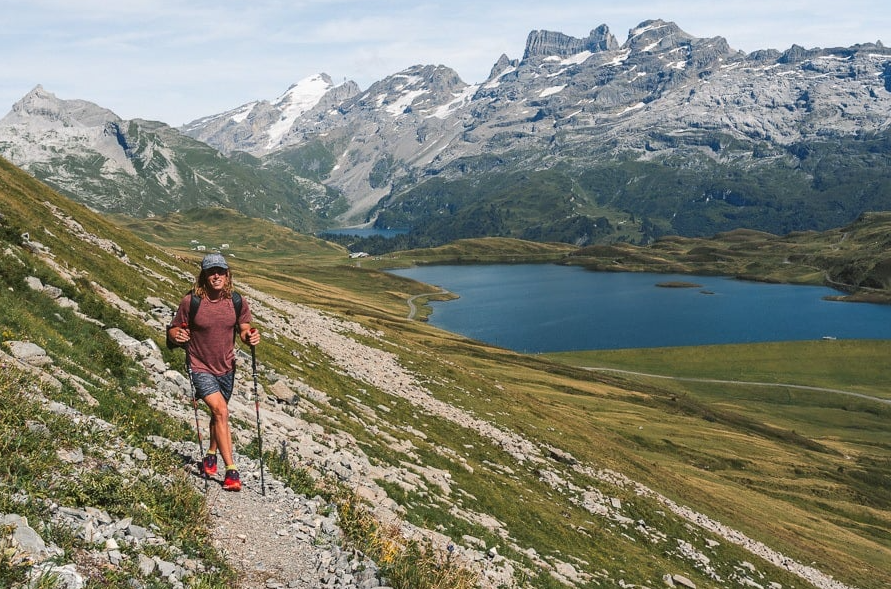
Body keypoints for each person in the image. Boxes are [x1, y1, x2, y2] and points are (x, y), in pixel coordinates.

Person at [167, 252, 260, 491]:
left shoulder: (236, 301)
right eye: (211, 272)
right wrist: (177, 336)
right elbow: (173, 329)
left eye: (220, 271)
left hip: (226, 367)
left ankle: (210, 454)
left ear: (227, 275)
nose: (216, 276)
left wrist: (249, 336)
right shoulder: (191, 301)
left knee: (218, 415)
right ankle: (231, 471)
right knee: (221, 410)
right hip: (199, 365)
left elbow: (243, 328)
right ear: (204, 276)